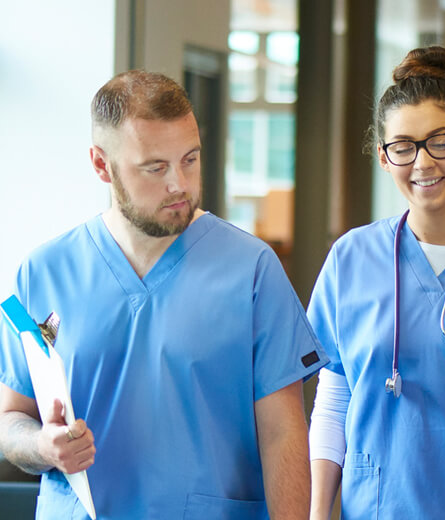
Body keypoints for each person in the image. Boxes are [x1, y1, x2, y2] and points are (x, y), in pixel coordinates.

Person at [0, 70, 328, 519]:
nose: (179, 184)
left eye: (190, 160)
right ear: (101, 165)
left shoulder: (251, 270)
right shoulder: (44, 272)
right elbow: (10, 416)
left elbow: (282, 435)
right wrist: (42, 445)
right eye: (156, 167)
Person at [306, 46, 445, 519]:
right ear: (384, 158)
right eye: (403, 147)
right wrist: (320, 512)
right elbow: (335, 394)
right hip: (378, 507)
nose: (422, 163)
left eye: (440, 141)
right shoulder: (352, 258)